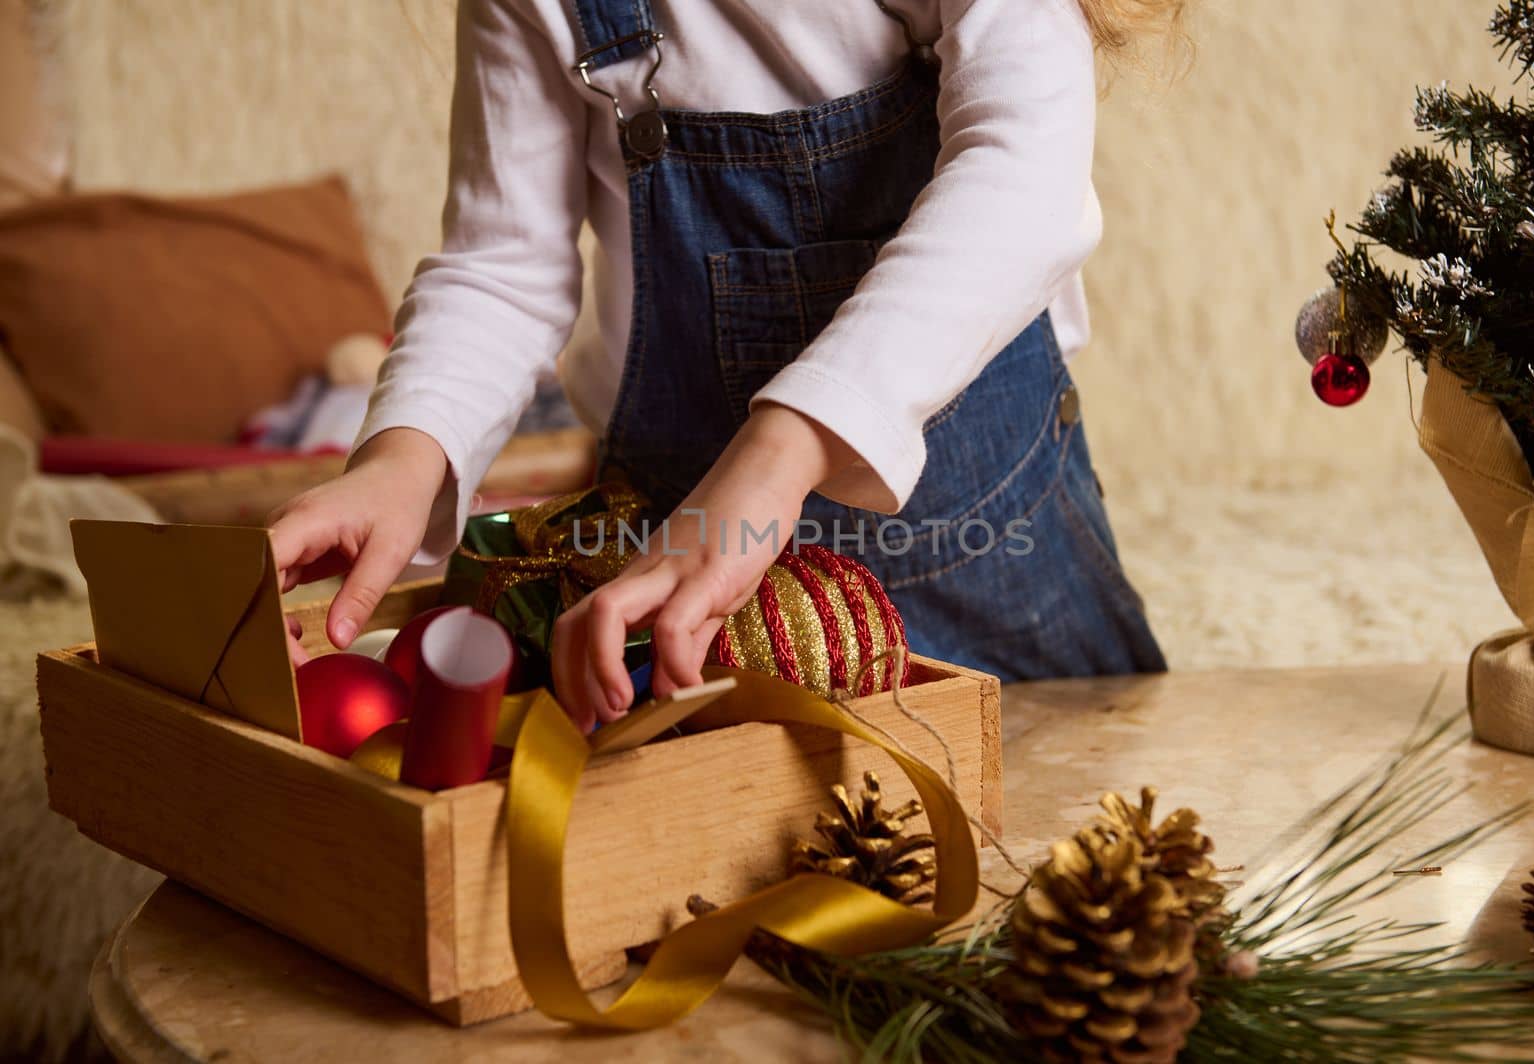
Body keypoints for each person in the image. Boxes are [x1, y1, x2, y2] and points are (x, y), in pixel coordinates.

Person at [269, 0, 1179, 732]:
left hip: (979, 547)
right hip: (686, 575)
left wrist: (777, 457)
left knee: (1065, 815)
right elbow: (503, 264)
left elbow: (1026, 176)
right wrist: (402, 455)